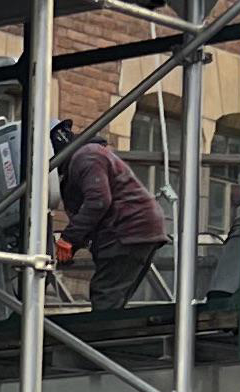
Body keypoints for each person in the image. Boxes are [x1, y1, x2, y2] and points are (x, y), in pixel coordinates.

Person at [51, 116, 168, 312]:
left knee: (105, 295)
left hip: (128, 230)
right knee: (114, 298)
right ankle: (111, 338)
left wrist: (68, 238)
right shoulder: (85, 158)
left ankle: (99, 342)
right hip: (137, 230)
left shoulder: (86, 156)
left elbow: (98, 202)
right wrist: (74, 243)